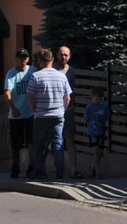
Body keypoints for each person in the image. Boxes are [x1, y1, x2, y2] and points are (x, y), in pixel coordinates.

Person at [27, 48, 73, 180]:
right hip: (58, 115)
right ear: (52, 60)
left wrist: (35, 109)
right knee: (58, 144)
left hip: (41, 116)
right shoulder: (62, 76)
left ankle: (38, 172)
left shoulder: (35, 76)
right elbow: (68, 97)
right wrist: (62, 110)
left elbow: (30, 96)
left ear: (40, 62)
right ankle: (59, 173)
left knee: (39, 145)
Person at [4, 49, 36, 178]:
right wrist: (13, 107)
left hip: (30, 112)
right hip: (16, 114)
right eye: (20, 57)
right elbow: (7, 92)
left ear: (28, 59)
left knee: (31, 141)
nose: (23, 60)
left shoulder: (32, 71)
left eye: (25, 58)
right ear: (16, 59)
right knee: (15, 143)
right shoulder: (11, 74)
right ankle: (15, 166)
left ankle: (31, 166)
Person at [55, 46, 82, 178]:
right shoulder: (52, 70)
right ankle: (56, 170)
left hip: (69, 110)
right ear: (57, 55)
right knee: (54, 140)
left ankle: (73, 170)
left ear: (70, 56)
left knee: (70, 140)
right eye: (61, 54)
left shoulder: (72, 72)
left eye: (66, 55)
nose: (63, 57)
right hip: (54, 110)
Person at [85, 88, 110, 180]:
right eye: (96, 99)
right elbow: (87, 119)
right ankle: (98, 172)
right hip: (93, 131)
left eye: (100, 99)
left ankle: (93, 166)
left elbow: (106, 117)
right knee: (96, 151)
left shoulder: (105, 106)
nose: (98, 101)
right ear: (92, 98)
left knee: (100, 152)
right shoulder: (89, 107)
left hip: (101, 130)